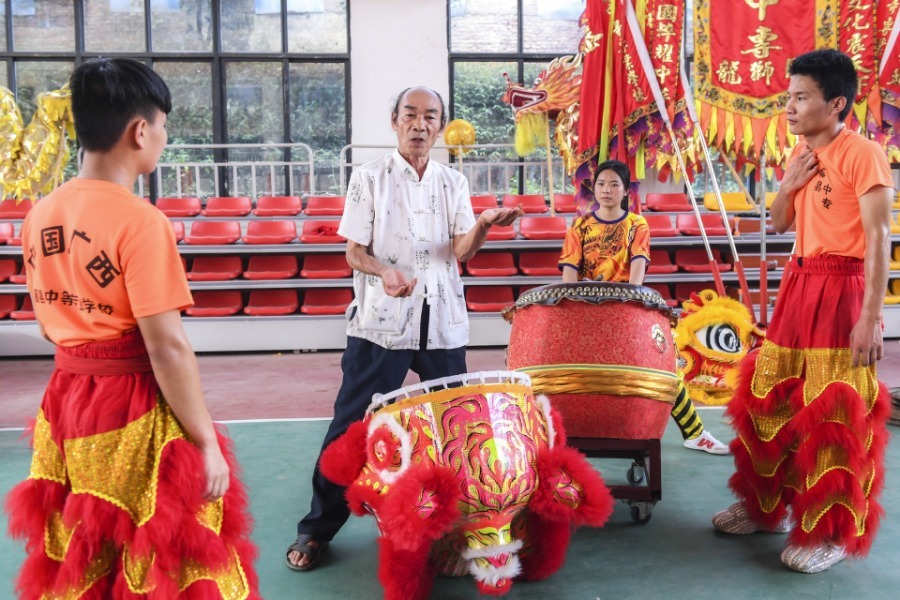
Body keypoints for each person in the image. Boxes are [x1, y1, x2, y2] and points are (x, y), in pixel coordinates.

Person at [4, 58, 259, 597]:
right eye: (163, 126)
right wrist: (207, 442)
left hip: (65, 403)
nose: (163, 137)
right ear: (139, 130)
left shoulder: (39, 213)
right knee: (159, 548)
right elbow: (166, 348)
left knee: (87, 544)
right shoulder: (141, 221)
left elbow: (51, 326)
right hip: (132, 404)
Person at [285, 86, 522, 571]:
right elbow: (353, 251)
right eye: (410, 115)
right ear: (394, 120)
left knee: (456, 433)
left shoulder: (452, 181)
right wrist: (384, 271)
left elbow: (460, 252)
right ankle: (315, 529)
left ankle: (458, 530)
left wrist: (485, 225)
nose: (420, 124)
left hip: (442, 325)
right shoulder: (368, 178)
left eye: (429, 116)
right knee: (349, 428)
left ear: (440, 125)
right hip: (382, 326)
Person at [712, 49, 894, 573]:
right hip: (799, 284)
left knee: (834, 413)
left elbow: (881, 236)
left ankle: (829, 533)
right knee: (768, 400)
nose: (788, 108)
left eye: (800, 97)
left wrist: (869, 316)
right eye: (788, 97)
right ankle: (764, 507)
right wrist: (789, 183)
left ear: (836, 103)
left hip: (844, 289)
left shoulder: (864, 153)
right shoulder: (798, 154)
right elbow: (777, 224)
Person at [558, 159, 729, 455]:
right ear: (593, 189)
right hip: (586, 314)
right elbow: (569, 274)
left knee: (663, 371)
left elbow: (638, 267)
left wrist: (630, 303)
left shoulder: (637, 225)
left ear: (625, 191)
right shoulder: (579, 226)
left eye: (614, 184)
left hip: (627, 313)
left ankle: (695, 433)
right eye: (601, 184)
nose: (606, 190)